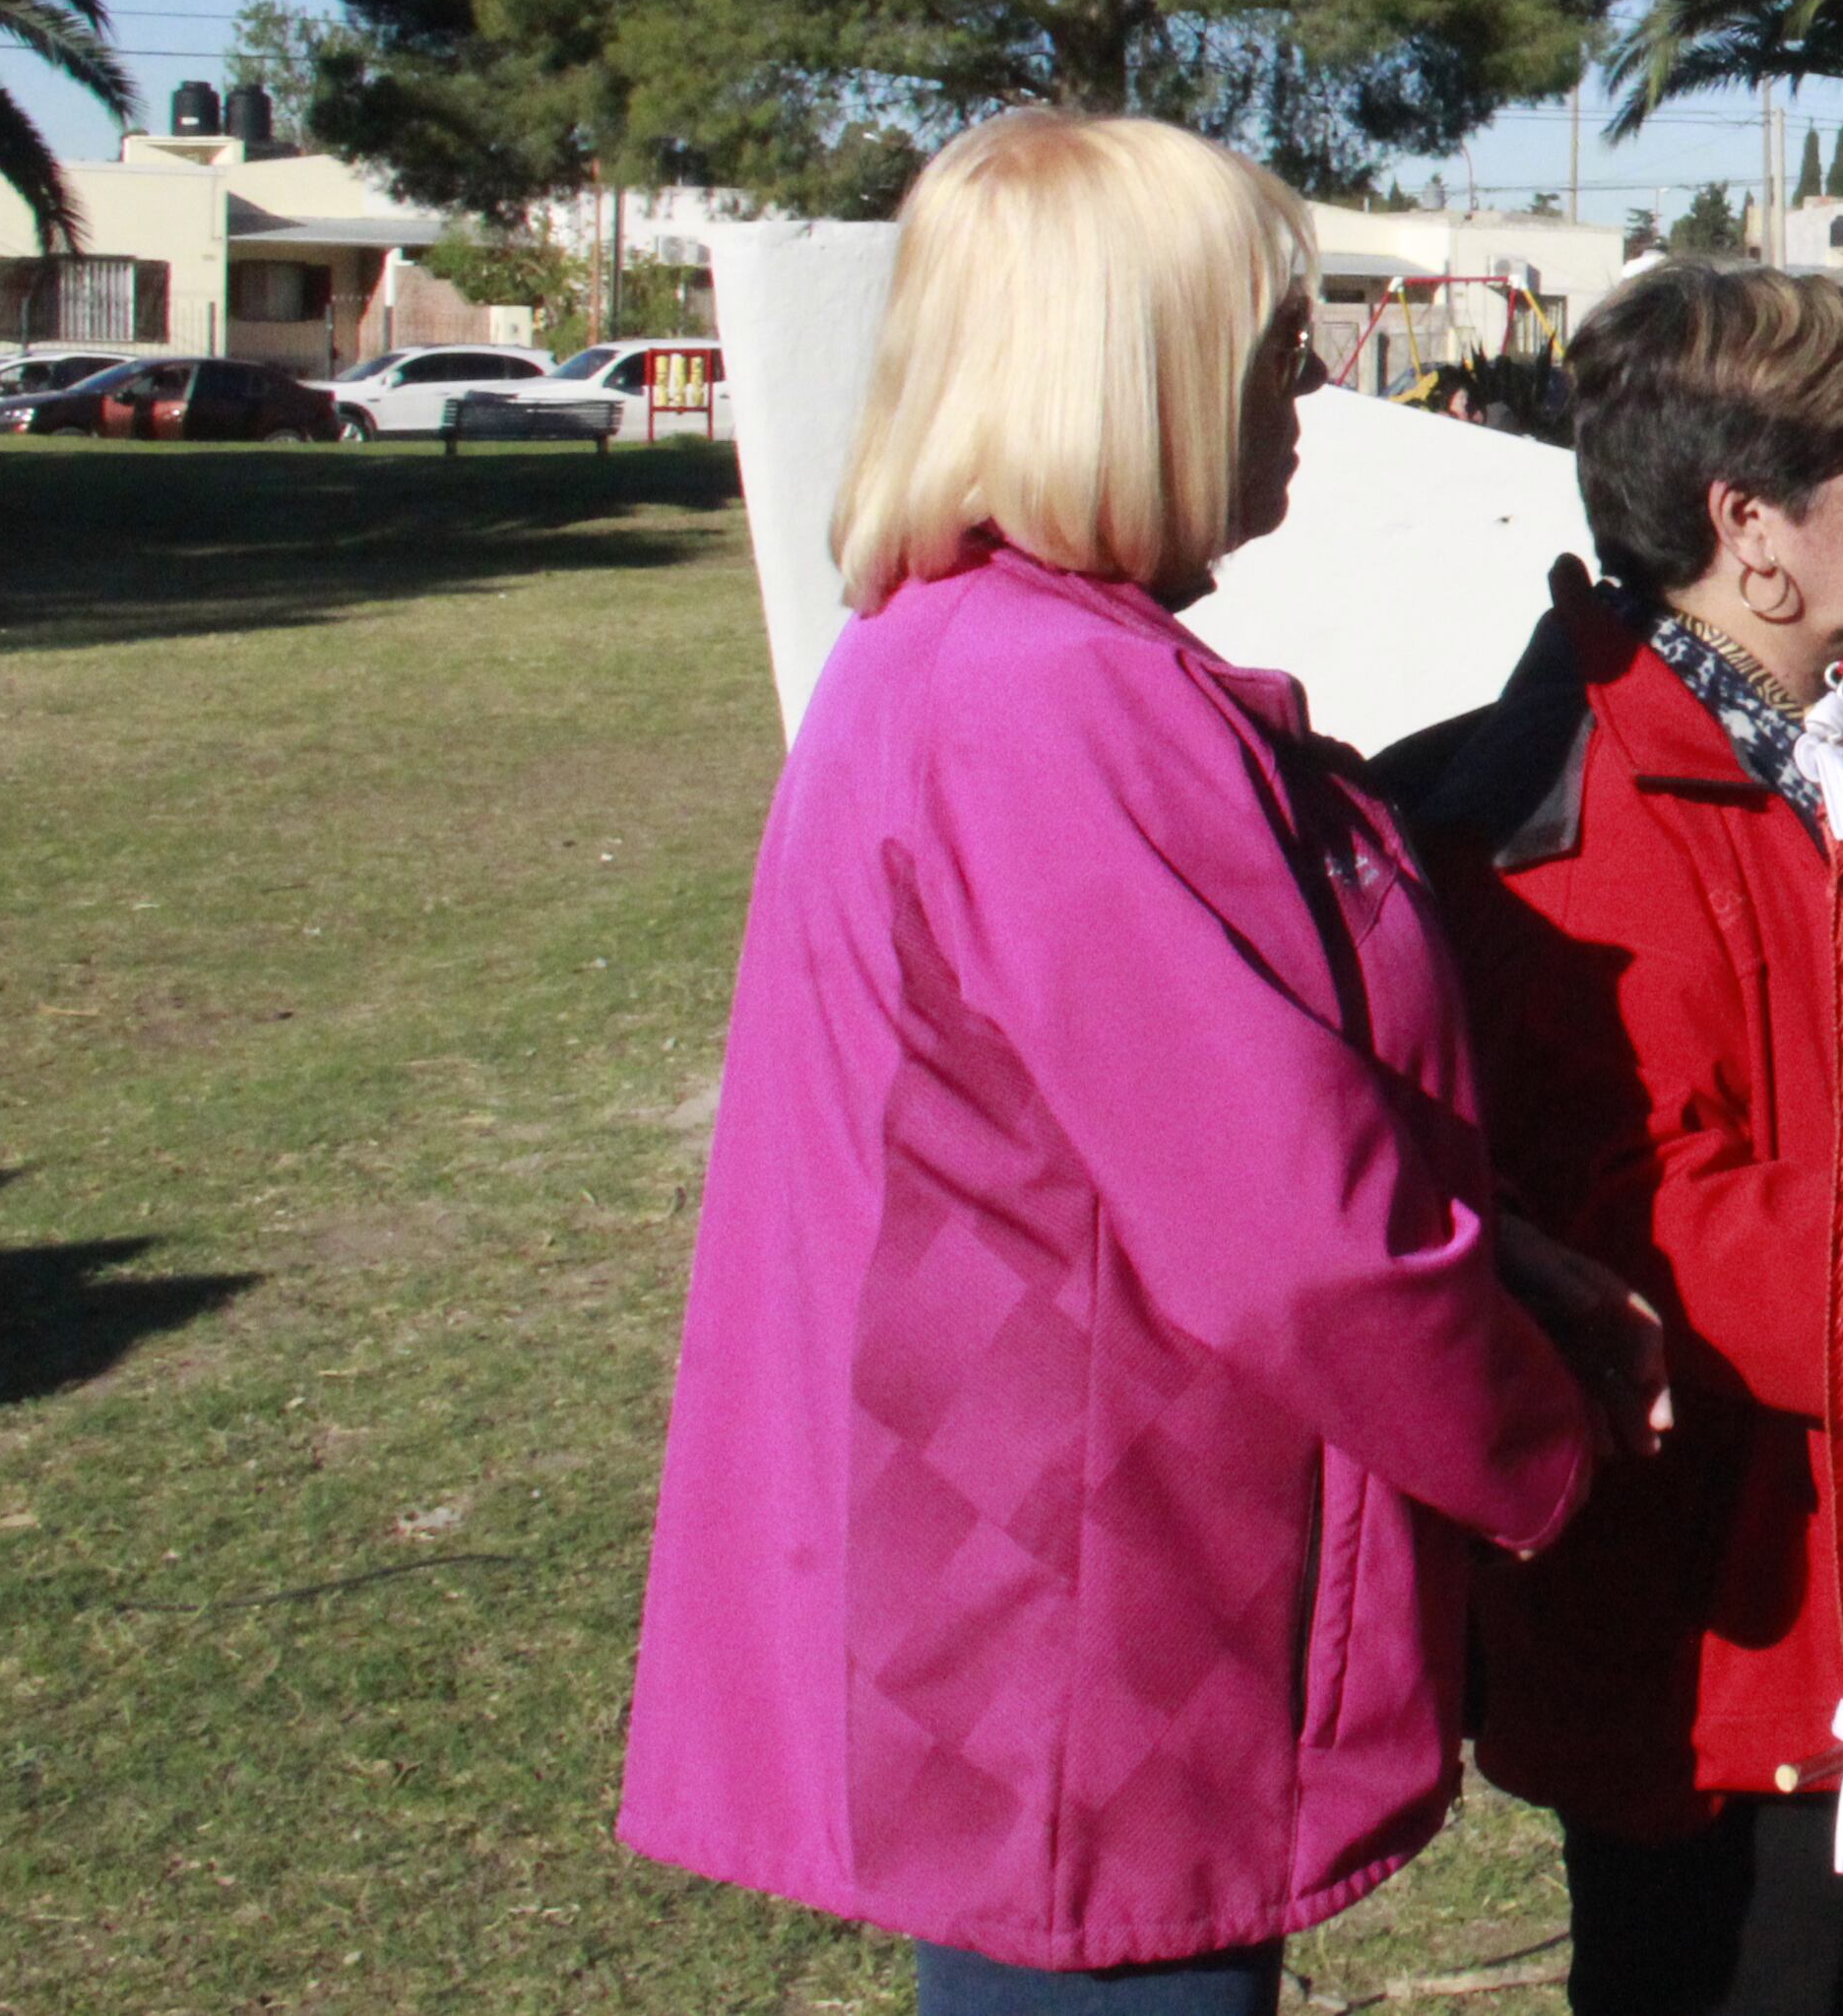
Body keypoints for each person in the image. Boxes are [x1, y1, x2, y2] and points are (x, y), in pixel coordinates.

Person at [617, 111, 1618, 2016]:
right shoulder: (1046, 704)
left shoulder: (984, 661)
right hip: (1085, 1608)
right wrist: (1535, 1432)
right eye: (1269, 342)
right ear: (1133, 374)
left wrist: (1507, 1259)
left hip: (1067, 1577)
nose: (1309, 383)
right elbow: (1286, 1226)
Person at [1378, 264, 1843, 2016]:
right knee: (1731, 1974)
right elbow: (1645, 1213)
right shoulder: (1588, 810)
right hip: (1712, 1602)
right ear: (1751, 528)